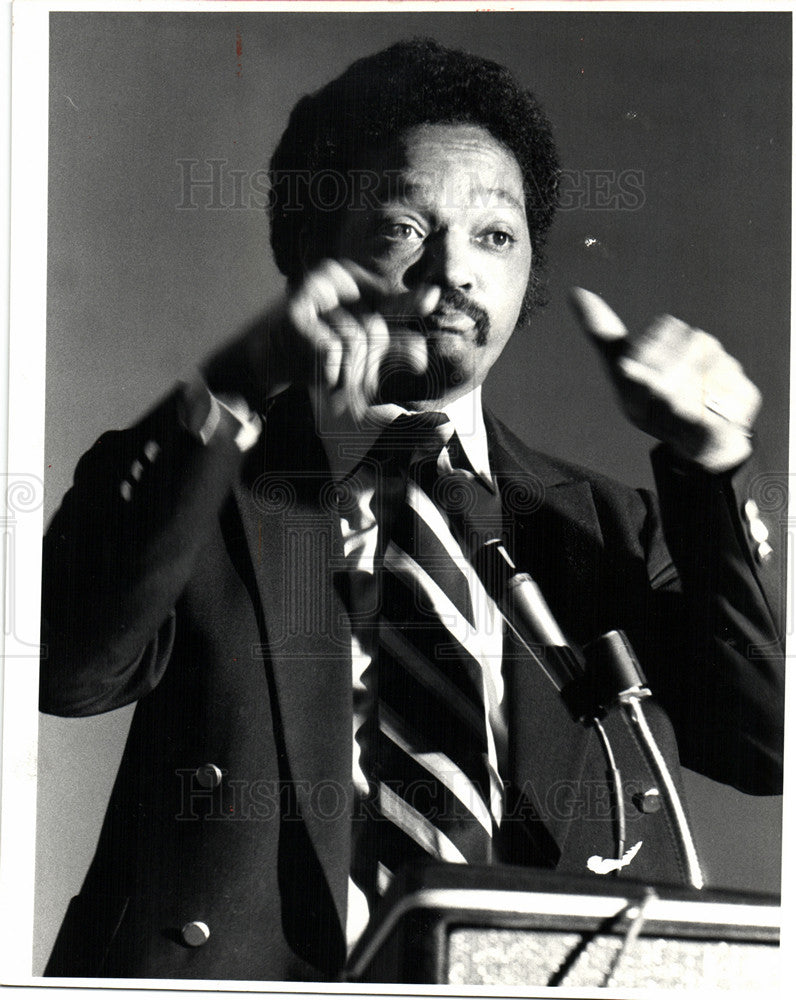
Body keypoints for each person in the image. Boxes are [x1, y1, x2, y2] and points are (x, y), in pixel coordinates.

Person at [40, 39, 784, 982]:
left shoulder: (606, 524)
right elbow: (68, 669)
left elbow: (766, 747)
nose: (456, 273)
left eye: (496, 235)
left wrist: (711, 468)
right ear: (314, 253)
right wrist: (235, 380)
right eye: (402, 228)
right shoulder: (207, 480)